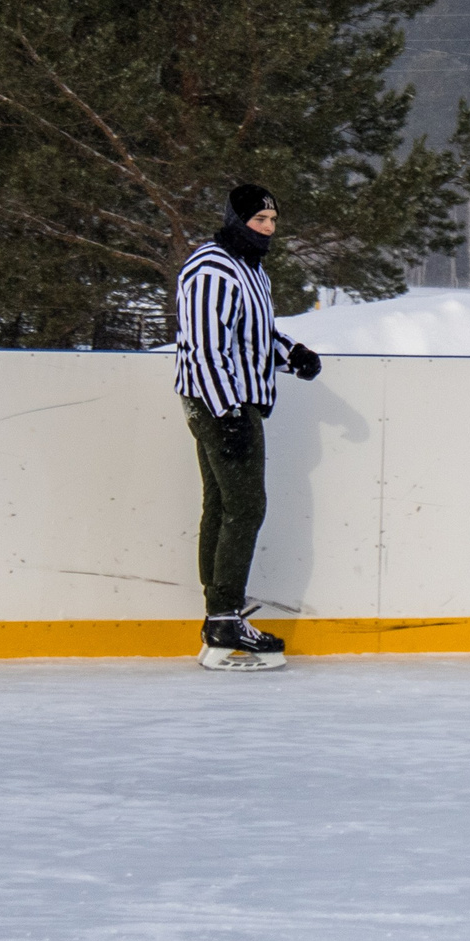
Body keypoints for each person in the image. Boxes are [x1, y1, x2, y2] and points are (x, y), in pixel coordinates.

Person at [172, 183, 322, 670]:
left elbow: (253, 334)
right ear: (238, 221)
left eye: (274, 222)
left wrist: (290, 352)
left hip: (234, 402)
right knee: (245, 506)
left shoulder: (250, 270)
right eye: (260, 221)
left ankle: (220, 611)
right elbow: (205, 345)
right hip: (221, 402)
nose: (269, 230)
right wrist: (228, 411)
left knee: (223, 503)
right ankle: (224, 615)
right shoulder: (212, 268)